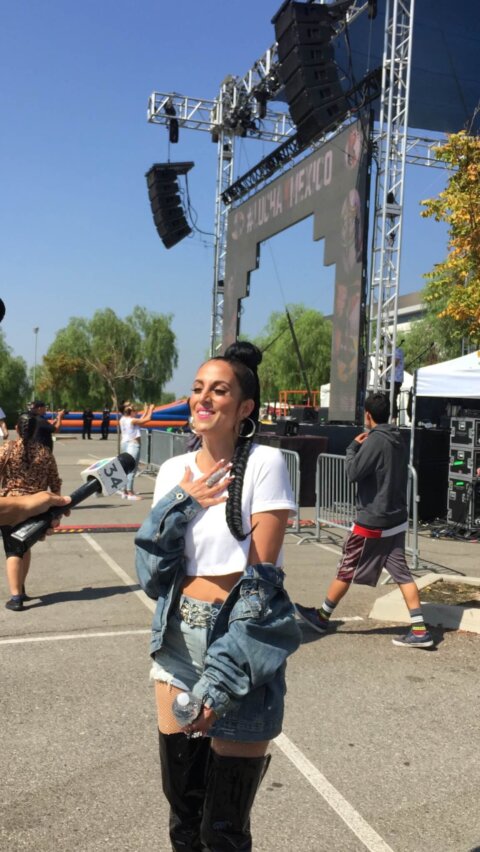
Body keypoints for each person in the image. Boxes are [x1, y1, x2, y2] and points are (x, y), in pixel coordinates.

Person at [135, 341, 301, 851]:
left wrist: (220, 682)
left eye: (219, 390)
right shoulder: (172, 471)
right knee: (184, 814)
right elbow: (153, 575)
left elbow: (261, 584)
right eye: (198, 388)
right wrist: (182, 502)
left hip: (242, 639)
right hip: (177, 637)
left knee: (223, 828)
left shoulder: (265, 463)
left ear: (244, 407)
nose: (203, 398)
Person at [295, 392, 434, 649]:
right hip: (395, 517)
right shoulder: (398, 438)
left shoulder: (375, 440)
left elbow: (353, 472)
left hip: (373, 519)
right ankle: (419, 629)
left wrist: (352, 448)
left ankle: (322, 617)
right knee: (402, 573)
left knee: (347, 566)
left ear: (368, 415)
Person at [0, 411, 62, 611]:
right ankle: (21, 587)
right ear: (36, 430)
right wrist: (57, 509)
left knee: (12, 550)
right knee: (24, 546)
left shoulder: (6, 449)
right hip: (37, 507)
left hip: (11, 506)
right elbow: (55, 482)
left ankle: (16, 597)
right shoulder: (45, 452)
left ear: (16, 428)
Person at [119, 401, 154, 500]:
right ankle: (130, 493)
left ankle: (124, 491)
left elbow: (140, 420)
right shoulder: (131, 420)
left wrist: (146, 411)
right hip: (133, 444)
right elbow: (147, 420)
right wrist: (151, 410)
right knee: (132, 468)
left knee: (126, 467)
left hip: (125, 443)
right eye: (130, 407)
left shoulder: (123, 419)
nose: (132, 407)